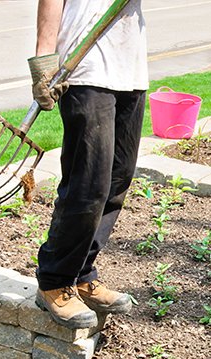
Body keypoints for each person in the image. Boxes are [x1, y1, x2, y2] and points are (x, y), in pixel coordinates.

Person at [28, 0, 145, 328]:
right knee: (88, 182)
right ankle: (54, 280)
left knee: (118, 177)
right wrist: (44, 56)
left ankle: (81, 273)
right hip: (85, 66)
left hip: (130, 63)